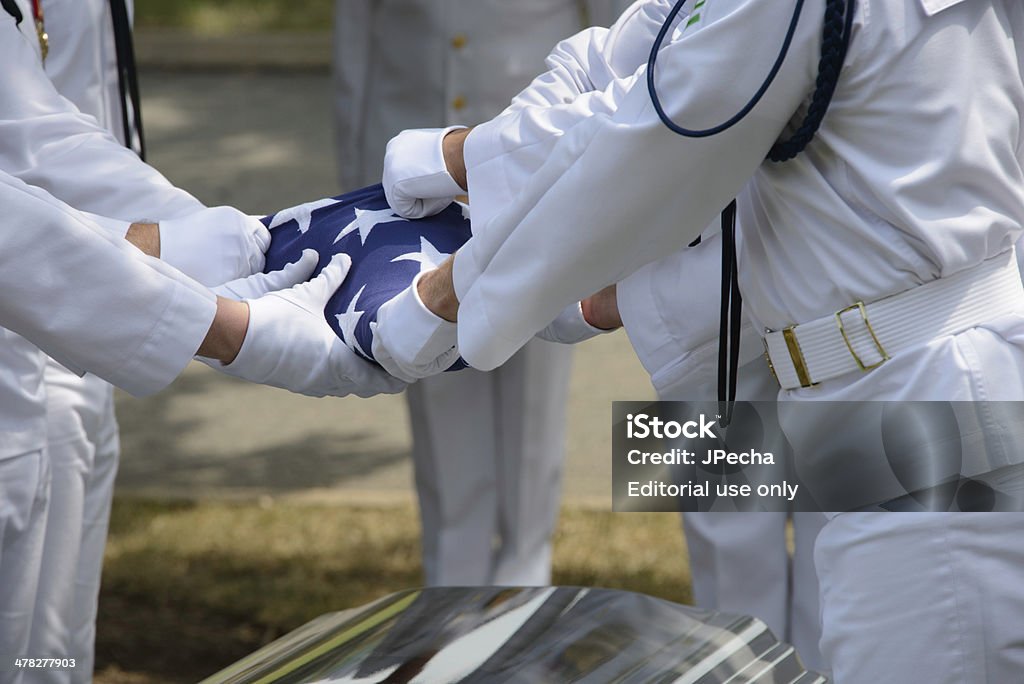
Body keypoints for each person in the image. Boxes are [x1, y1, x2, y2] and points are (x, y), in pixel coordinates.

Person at [374, 1, 1024, 681]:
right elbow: (640, 56)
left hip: (905, 381)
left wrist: (444, 284)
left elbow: (665, 127)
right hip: (869, 359)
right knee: (739, 541)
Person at [332, 0, 631, 585]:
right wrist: (356, 200)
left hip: (542, 176)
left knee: (533, 389)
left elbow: (618, 41)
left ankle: (524, 577)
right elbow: (356, 49)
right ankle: (451, 585)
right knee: (429, 371)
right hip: (416, 190)